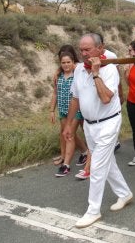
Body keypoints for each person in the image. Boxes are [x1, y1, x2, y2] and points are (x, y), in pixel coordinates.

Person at [63, 33, 133, 228]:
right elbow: (75, 99)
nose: (84, 54)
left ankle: (93, 210)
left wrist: (95, 73)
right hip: (89, 125)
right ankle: (124, 193)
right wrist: (69, 125)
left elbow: (105, 98)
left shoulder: (109, 69)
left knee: (97, 166)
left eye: (88, 49)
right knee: (107, 162)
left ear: (100, 49)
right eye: (81, 50)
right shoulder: (78, 71)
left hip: (108, 123)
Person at [50, 46, 88, 177]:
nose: (66, 65)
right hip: (62, 110)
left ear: (73, 62)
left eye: (68, 62)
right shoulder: (58, 75)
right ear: (60, 64)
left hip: (76, 110)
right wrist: (51, 110)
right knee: (66, 133)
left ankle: (66, 165)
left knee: (70, 134)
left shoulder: (78, 74)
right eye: (63, 62)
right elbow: (55, 93)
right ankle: (84, 152)